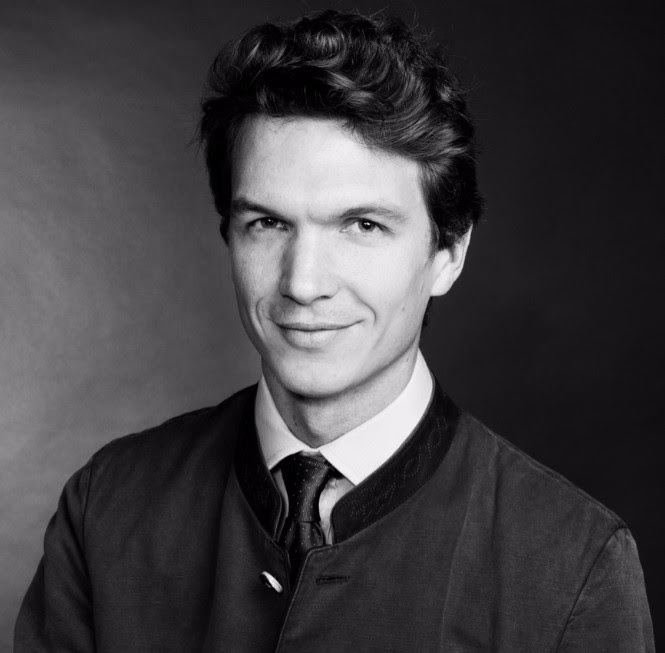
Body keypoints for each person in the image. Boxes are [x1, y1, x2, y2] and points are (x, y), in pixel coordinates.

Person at [15, 9, 654, 652]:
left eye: (362, 226)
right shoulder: (107, 507)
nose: (303, 282)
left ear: (448, 253)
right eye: (268, 224)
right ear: (229, 236)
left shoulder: (573, 565)